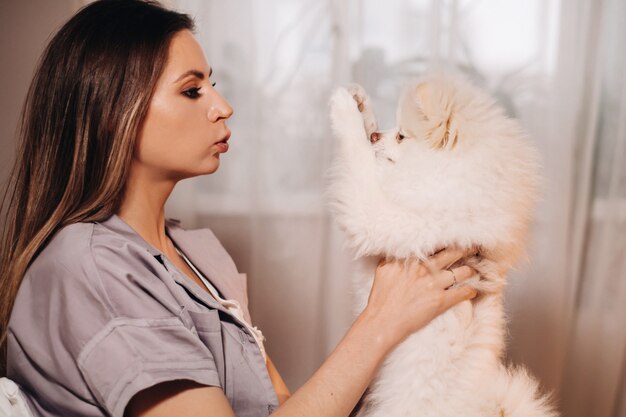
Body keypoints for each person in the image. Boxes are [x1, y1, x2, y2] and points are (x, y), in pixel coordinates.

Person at [0, 1, 480, 416]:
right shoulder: (91, 268)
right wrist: (381, 321)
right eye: (192, 91)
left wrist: (416, 334)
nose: (223, 106)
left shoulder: (198, 255)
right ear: (112, 112)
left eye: (213, 85)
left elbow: (286, 407)